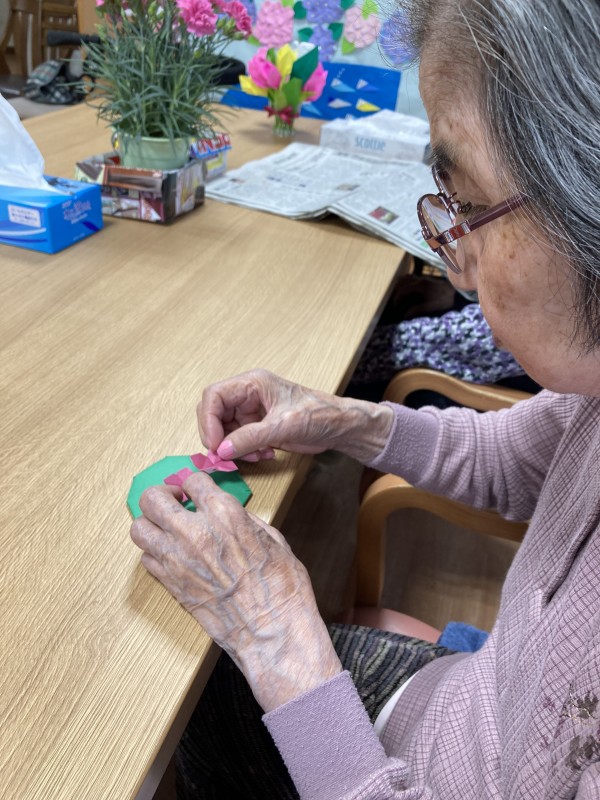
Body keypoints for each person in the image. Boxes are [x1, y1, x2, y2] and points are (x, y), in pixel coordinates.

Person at [130, 0, 600, 796]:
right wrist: (344, 419)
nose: (455, 265)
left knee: (195, 699)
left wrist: (277, 638)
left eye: (468, 207)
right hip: (469, 704)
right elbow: (522, 456)